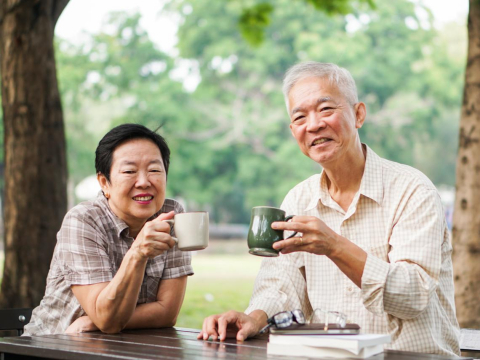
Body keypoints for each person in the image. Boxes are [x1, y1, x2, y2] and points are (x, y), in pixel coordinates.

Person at [198, 62, 460, 356]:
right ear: (293, 130)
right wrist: (253, 317)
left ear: (359, 114)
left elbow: (412, 295)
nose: (313, 125)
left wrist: (334, 246)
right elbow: (282, 286)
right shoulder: (299, 199)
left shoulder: (412, 190)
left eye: (325, 110)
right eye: (300, 116)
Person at [24, 123, 193, 335]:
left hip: (120, 347)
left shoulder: (172, 215)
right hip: (50, 348)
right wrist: (138, 253)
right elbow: (108, 319)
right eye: (130, 171)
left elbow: (167, 312)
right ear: (104, 182)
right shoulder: (83, 220)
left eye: (154, 170)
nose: (143, 182)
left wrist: (92, 323)